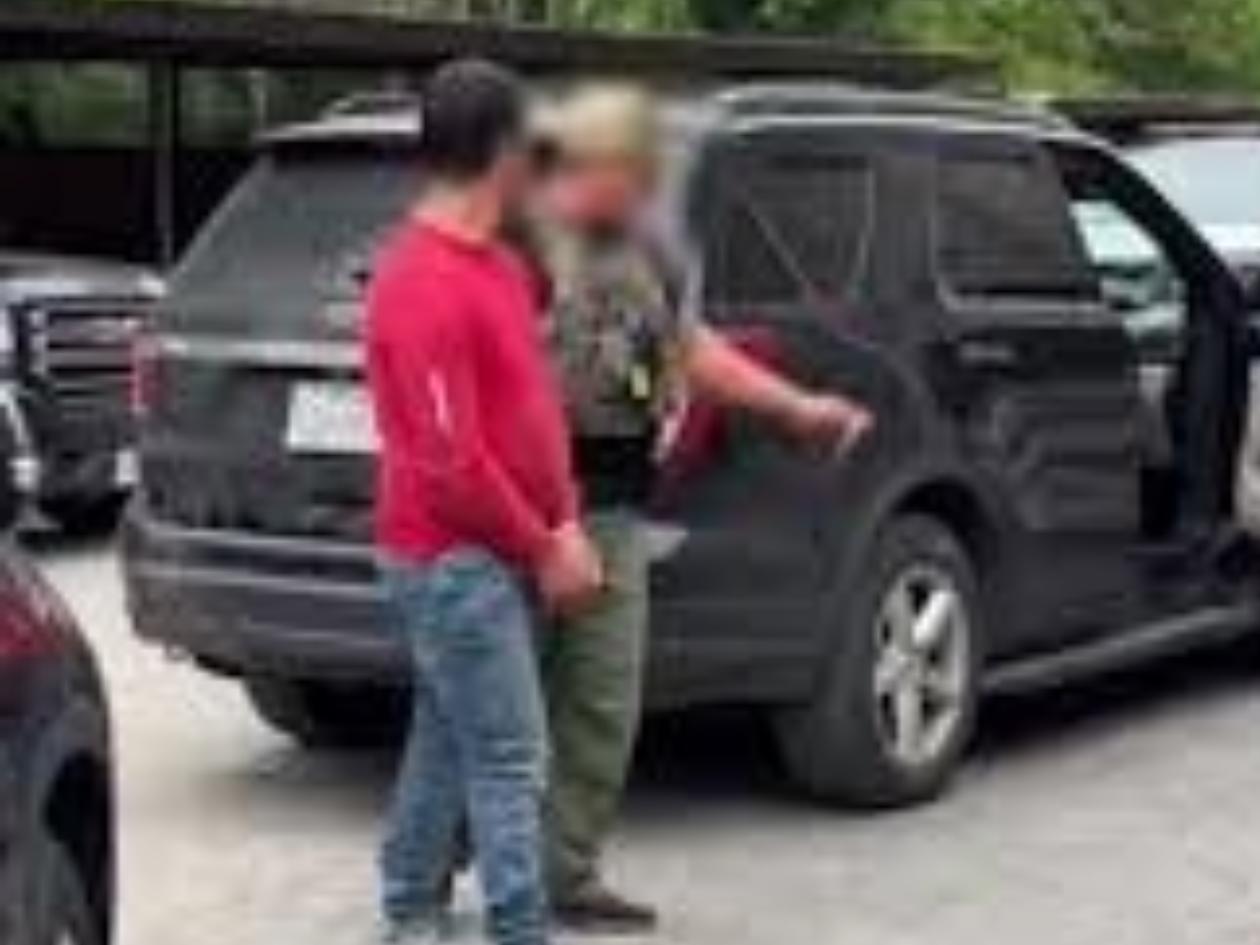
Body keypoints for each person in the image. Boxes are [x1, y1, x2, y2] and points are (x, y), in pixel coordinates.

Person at [522, 84, 874, 934]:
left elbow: (688, 349)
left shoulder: (648, 249)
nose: (645, 183)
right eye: (629, 165)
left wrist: (796, 408)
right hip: (521, 511)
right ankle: (433, 889)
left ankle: (563, 873)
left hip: (612, 508)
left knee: (601, 704)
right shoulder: (518, 246)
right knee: (491, 712)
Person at [365, 59, 604, 945]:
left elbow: (531, 408)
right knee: (510, 754)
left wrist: (564, 517)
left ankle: (410, 903)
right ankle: (516, 925)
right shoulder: (418, 283)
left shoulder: (499, 267)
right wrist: (544, 545)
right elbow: (451, 464)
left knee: (447, 735)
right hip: (450, 559)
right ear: (503, 151)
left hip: (507, 545)